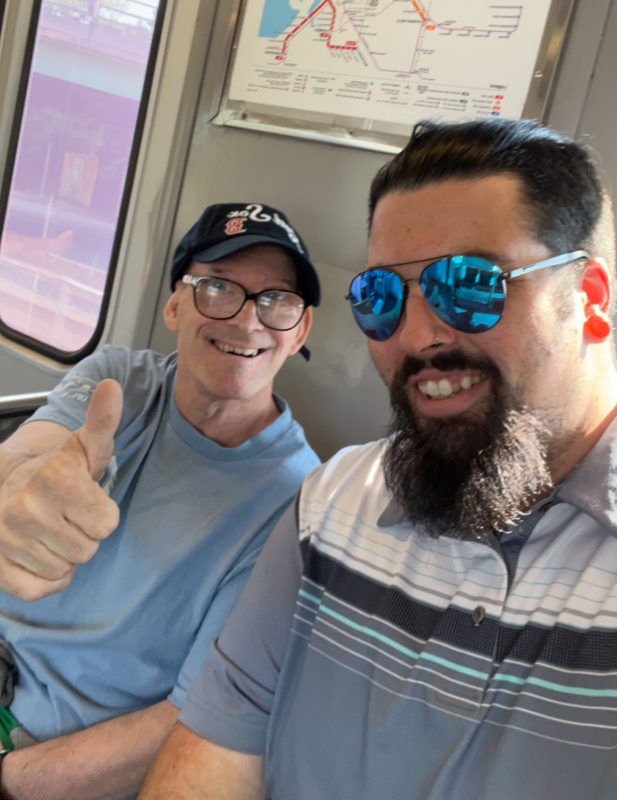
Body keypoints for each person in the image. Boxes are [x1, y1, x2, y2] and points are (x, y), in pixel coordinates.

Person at [139, 118, 617, 800]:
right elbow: (216, 753)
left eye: (473, 285)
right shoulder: (330, 508)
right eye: (382, 298)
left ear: (589, 302)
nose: (419, 337)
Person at [0, 202, 321, 799]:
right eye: (218, 287)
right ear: (176, 304)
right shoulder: (118, 380)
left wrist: (8, 779)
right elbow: (22, 458)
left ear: (299, 330)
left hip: (38, 755)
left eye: (277, 300)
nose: (249, 321)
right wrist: (16, 486)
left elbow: (191, 720)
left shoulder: (298, 509)